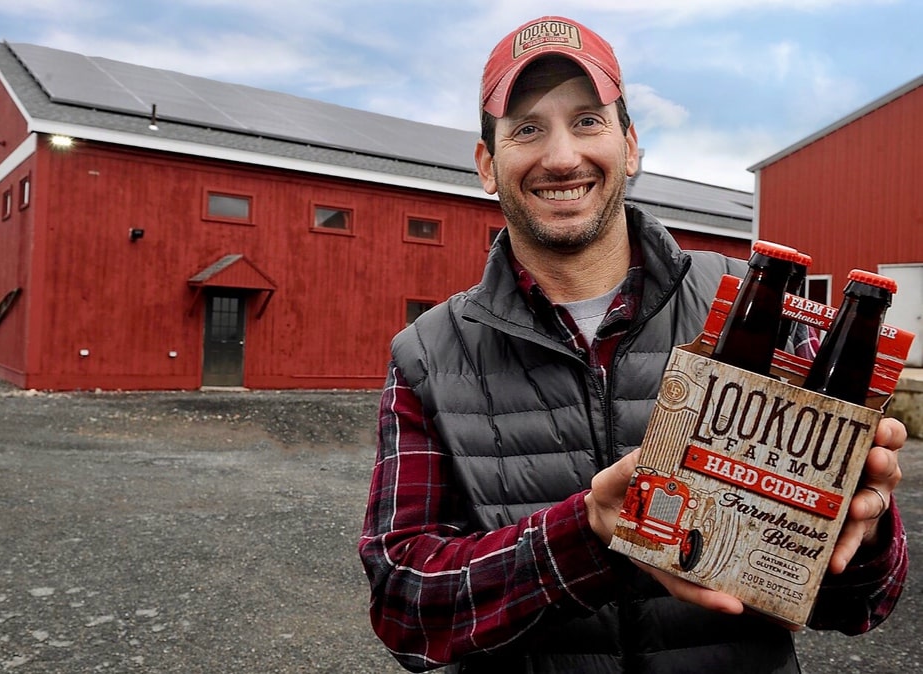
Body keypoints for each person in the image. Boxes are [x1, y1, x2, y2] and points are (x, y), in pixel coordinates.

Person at [359, 15, 908, 674]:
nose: (562, 157)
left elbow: (862, 604)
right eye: (527, 128)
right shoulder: (428, 353)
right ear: (486, 165)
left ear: (631, 145)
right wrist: (585, 535)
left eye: (588, 121)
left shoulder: (747, 304)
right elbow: (404, 609)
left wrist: (865, 534)